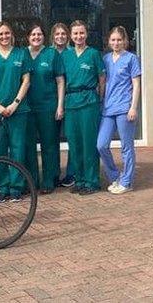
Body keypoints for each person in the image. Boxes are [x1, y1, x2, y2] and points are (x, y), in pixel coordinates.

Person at [0, 21, 33, 201]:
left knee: (18, 150)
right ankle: (2, 186)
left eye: (7, 33)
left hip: (18, 111)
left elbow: (26, 80)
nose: (4, 37)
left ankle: (16, 187)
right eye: (0, 34)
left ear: (12, 35)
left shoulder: (21, 54)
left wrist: (15, 104)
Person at [60, 20, 105, 195]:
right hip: (71, 102)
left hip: (88, 101)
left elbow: (101, 78)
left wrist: (99, 100)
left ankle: (91, 181)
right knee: (74, 142)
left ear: (86, 34)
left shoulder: (93, 54)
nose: (79, 36)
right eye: (75, 33)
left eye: (81, 33)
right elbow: (61, 80)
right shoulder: (66, 56)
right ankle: (79, 179)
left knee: (89, 143)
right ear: (71, 36)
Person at [97, 26, 141, 195]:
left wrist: (133, 107)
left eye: (119, 40)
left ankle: (127, 181)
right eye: (113, 40)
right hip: (108, 108)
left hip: (124, 108)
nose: (116, 43)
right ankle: (115, 176)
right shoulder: (106, 59)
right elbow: (103, 82)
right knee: (101, 145)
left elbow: (136, 84)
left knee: (126, 147)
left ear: (125, 41)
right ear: (109, 41)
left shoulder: (131, 59)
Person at [26, 23, 65, 194]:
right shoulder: (22, 54)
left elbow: (60, 81)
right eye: (33, 35)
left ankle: (49, 180)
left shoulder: (52, 54)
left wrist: (60, 105)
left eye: (39, 34)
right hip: (27, 107)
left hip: (48, 106)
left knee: (49, 144)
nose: (36, 37)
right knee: (29, 145)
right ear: (28, 37)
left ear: (44, 36)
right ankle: (32, 180)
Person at [50, 22, 76, 188]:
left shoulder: (73, 53)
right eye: (57, 34)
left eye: (63, 34)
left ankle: (72, 173)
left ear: (68, 36)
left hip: (71, 101)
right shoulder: (48, 54)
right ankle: (53, 173)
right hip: (51, 101)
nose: (60, 37)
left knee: (72, 138)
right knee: (52, 140)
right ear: (53, 36)